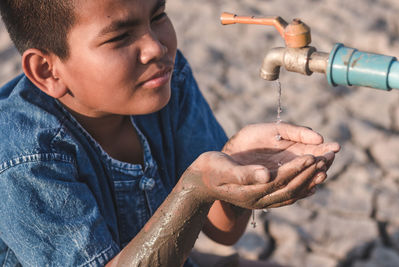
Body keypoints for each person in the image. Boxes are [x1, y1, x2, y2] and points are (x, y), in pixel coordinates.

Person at [0, 0, 340, 266]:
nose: (156, 48)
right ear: (47, 71)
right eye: (120, 36)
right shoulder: (24, 156)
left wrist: (237, 167)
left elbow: (224, 230)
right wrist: (194, 191)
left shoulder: (165, 81)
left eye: (158, 15)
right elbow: (197, 189)